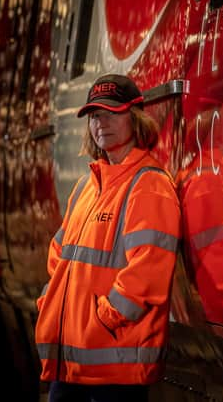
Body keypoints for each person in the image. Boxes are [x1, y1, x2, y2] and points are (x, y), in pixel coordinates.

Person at [34, 74, 181, 402]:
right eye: (95, 116)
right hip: (73, 362)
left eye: (113, 113)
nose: (102, 123)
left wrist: (105, 319)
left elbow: (149, 270)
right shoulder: (88, 187)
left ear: (136, 119)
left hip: (116, 367)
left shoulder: (149, 184)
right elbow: (58, 256)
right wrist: (52, 304)